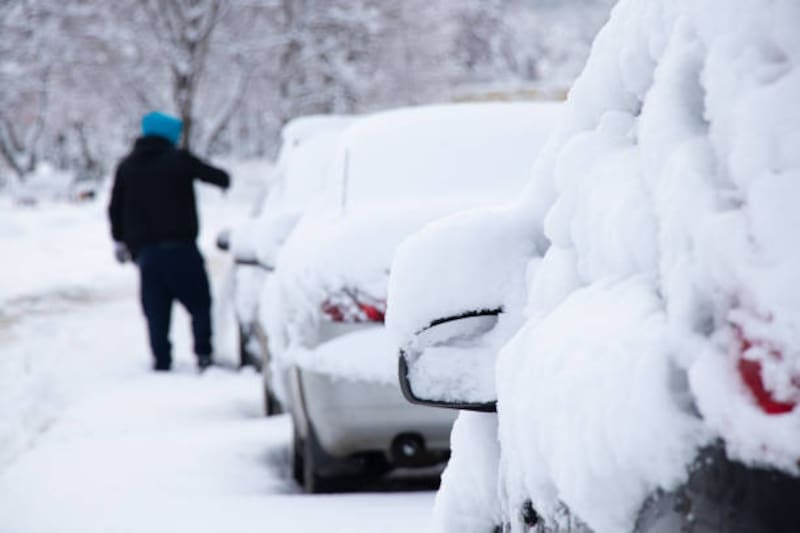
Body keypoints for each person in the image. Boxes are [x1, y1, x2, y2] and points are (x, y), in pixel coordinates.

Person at [108, 111, 230, 371]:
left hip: (147, 255)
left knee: (155, 310)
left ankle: (161, 360)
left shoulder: (127, 166)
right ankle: (204, 355)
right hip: (182, 249)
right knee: (199, 305)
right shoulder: (179, 160)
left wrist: (119, 241)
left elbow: (114, 207)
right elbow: (219, 177)